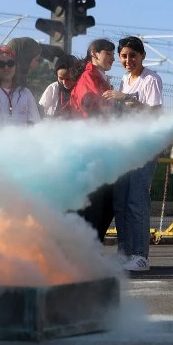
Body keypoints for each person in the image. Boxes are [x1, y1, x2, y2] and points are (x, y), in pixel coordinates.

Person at [101, 36, 162, 272]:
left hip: (143, 148)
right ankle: (124, 251)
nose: (128, 60)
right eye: (124, 56)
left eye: (133, 56)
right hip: (124, 149)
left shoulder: (151, 80)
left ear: (143, 56)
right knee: (121, 202)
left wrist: (125, 98)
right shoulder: (124, 80)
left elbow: (155, 113)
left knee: (137, 201)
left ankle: (140, 255)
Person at [69, 39, 118, 242]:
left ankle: (89, 248)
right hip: (91, 148)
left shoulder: (98, 76)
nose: (113, 58)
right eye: (109, 53)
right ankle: (86, 248)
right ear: (94, 54)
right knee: (96, 202)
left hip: (98, 147)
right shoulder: (90, 77)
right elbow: (94, 107)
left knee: (104, 201)